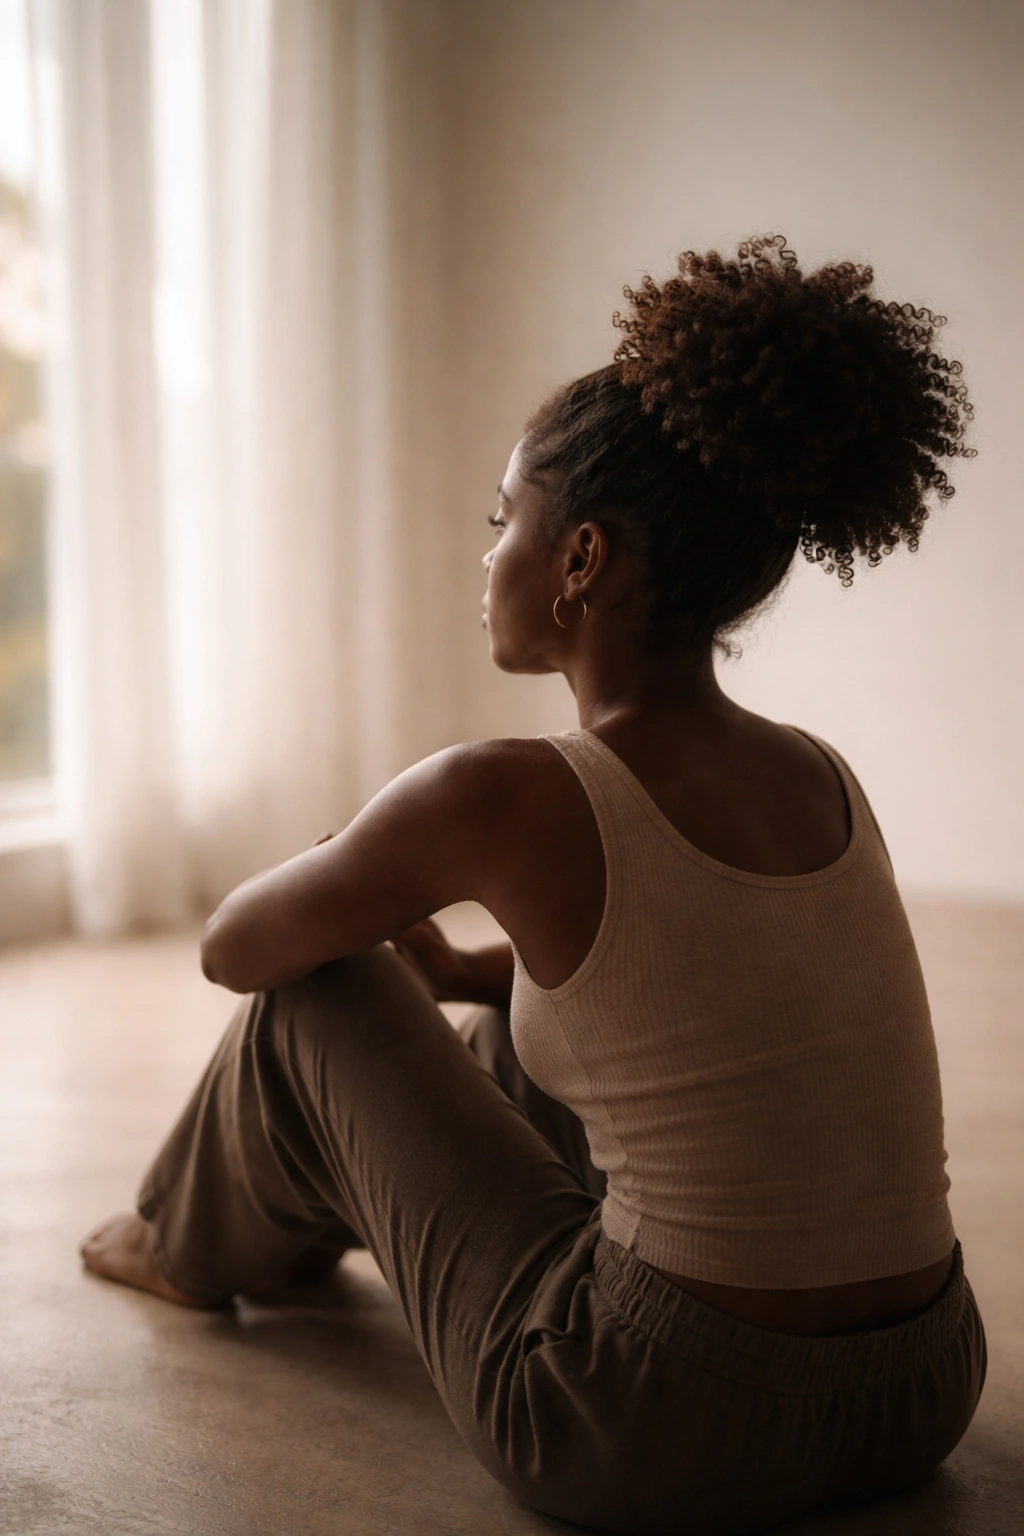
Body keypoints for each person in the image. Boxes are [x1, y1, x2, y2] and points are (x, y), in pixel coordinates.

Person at [81, 235, 985, 1536]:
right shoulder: (817, 774)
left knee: (313, 1004)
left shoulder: (502, 792)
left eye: (505, 518)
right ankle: (286, 1214)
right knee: (500, 1030)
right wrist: (460, 971)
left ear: (581, 561)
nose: (488, 553)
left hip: (649, 1423)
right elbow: (706, 983)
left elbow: (237, 949)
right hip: (919, 1386)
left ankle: (183, 1245)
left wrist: (373, 849)